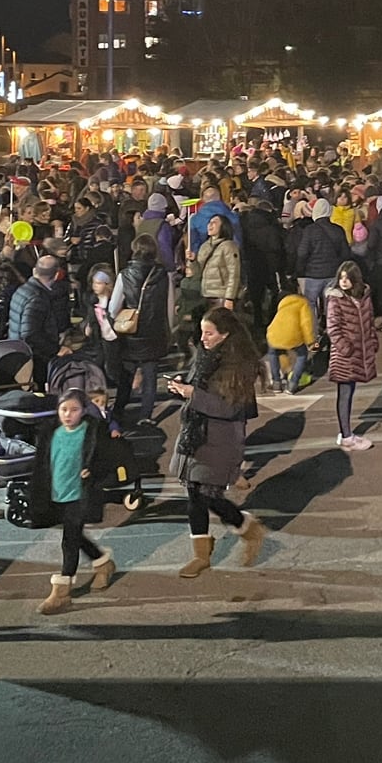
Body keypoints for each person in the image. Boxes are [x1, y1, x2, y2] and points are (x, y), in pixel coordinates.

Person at [165, 307, 267, 575]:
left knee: (208, 495)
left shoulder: (238, 366)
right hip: (196, 435)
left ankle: (248, 529)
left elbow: (230, 408)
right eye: (202, 332)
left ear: (225, 335)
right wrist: (180, 389)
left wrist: (191, 394)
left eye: (209, 333)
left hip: (219, 439)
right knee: (194, 495)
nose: (203, 338)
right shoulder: (205, 357)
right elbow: (195, 389)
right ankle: (201, 554)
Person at [31, 389, 116, 615]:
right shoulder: (51, 433)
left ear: (83, 410)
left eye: (74, 409)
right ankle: (102, 562)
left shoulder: (91, 432)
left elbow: (106, 459)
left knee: (69, 538)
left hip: (80, 493)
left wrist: (93, 472)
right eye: (64, 409)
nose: (68, 414)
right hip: (57, 492)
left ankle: (62, 591)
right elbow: (43, 464)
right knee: (74, 535)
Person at [109, 233, 172, 425]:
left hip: (130, 331)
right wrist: (169, 329)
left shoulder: (125, 275)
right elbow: (170, 308)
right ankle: (146, 415)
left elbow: (113, 307)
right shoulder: (164, 275)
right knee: (150, 375)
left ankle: (118, 411)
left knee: (127, 374)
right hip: (155, 331)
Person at [325, 260, 380, 452]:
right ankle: (347, 436)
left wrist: (372, 340)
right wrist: (345, 348)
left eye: (347, 278)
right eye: (341, 278)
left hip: (361, 352)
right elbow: (333, 328)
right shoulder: (336, 299)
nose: (344, 281)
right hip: (345, 355)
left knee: (349, 392)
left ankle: (345, 433)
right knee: (345, 393)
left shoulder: (364, 296)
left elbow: (370, 321)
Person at [263, 276, 315, 393]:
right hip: (292, 336)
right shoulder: (302, 303)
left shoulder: (282, 302)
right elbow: (306, 324)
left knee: (273, 353)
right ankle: (293, 383)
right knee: (302, 355)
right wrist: (311, 342)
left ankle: (276, 382)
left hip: (274, 334)